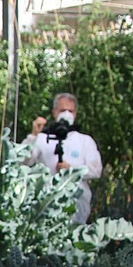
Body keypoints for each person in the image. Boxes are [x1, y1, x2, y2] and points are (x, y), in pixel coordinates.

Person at [25, 92, 103, 223]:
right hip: (46, 204)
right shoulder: (42, 139)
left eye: (70, 111)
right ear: (54, 112)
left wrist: (72, 170)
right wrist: (33, 136)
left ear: (75, 114)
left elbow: (96, 170)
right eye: (62, 110)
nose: (66, 114)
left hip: (76, 205)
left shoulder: (85, 141)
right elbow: (24, 162)